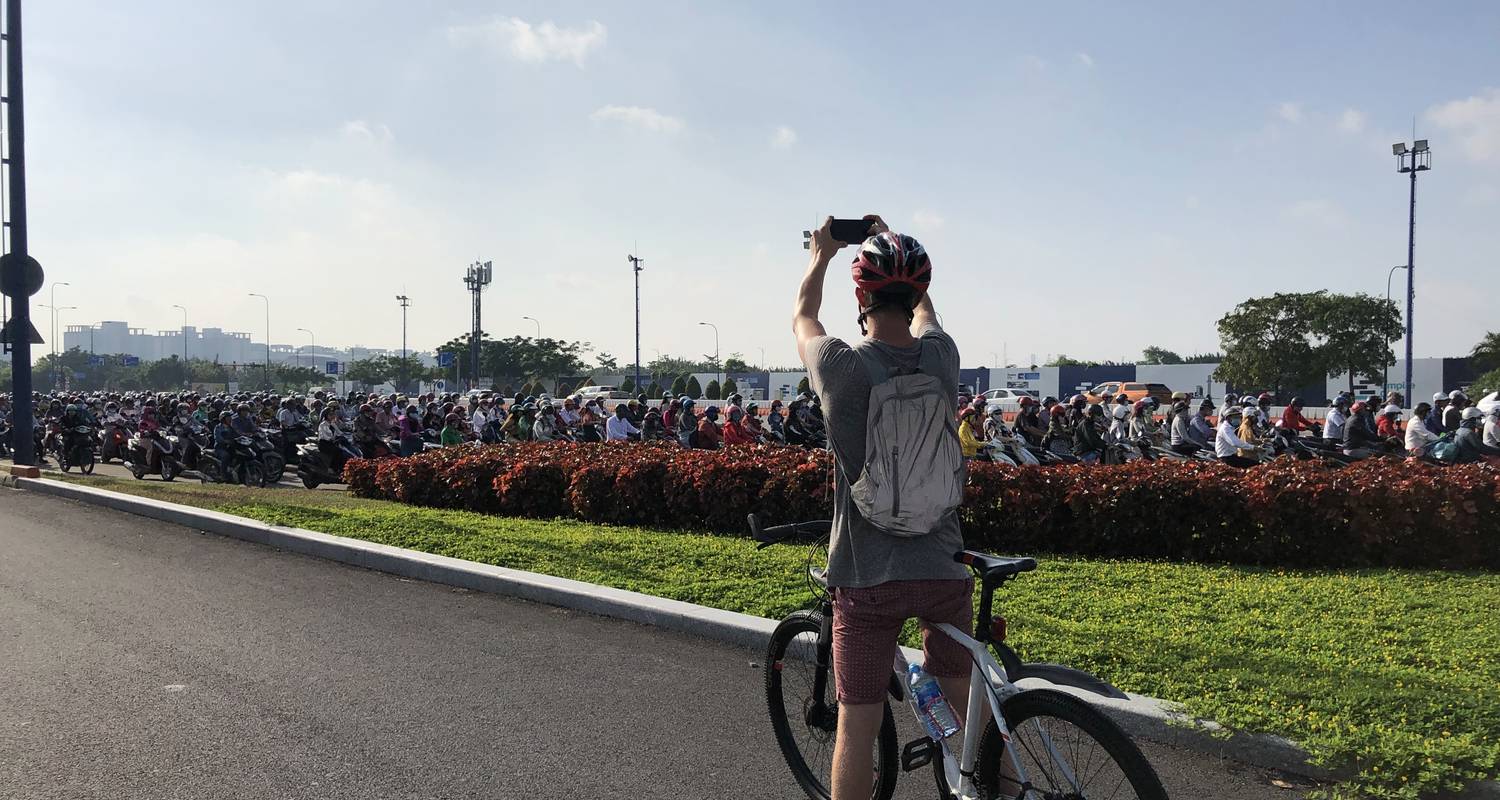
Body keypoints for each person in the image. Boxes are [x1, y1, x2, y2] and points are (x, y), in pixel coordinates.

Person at [793, 216, 972, 800]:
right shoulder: (942, 358)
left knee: (858, 728)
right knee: (967, 724)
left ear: (861, 295)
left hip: (868, 579)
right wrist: (898, 249)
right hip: (943, 568)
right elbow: (927, 317)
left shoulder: (842, 368)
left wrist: (820, 256)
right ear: (918, 291)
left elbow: (803, 317)